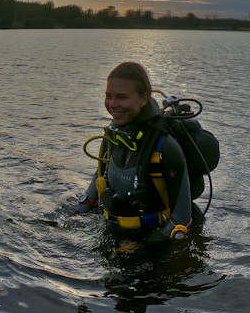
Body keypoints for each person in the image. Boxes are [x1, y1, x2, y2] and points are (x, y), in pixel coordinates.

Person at [77, 62, 203, 243]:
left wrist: (142, 249)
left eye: (121, 97)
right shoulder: (113, 136)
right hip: (116, 232)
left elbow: (182, 218)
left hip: (155, 240)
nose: (112, 104)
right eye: (108, 96)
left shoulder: (165, 146)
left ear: (144, 98)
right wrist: (75, 214)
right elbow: (96, 181)